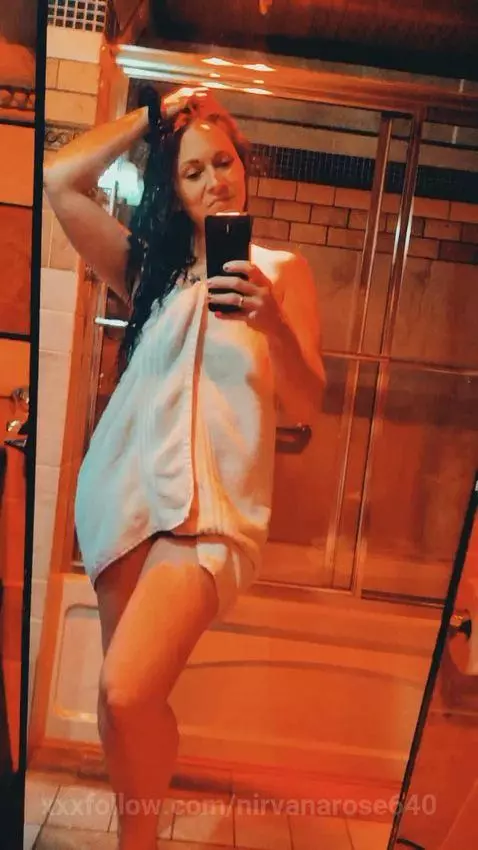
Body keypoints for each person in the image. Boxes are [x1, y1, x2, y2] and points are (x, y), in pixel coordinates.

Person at [44, 86, 325, 850]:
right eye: (193, 171)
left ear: (244, 167)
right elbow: (60, 179)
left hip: (210, 519)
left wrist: (274, 324)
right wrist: (149, 118)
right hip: (125, 501)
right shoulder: (152, 278)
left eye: (223, 163)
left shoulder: (281, 272)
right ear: (174, 190)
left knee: (125, 690)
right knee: (119, 708)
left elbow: (307, 400)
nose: (214, 182)